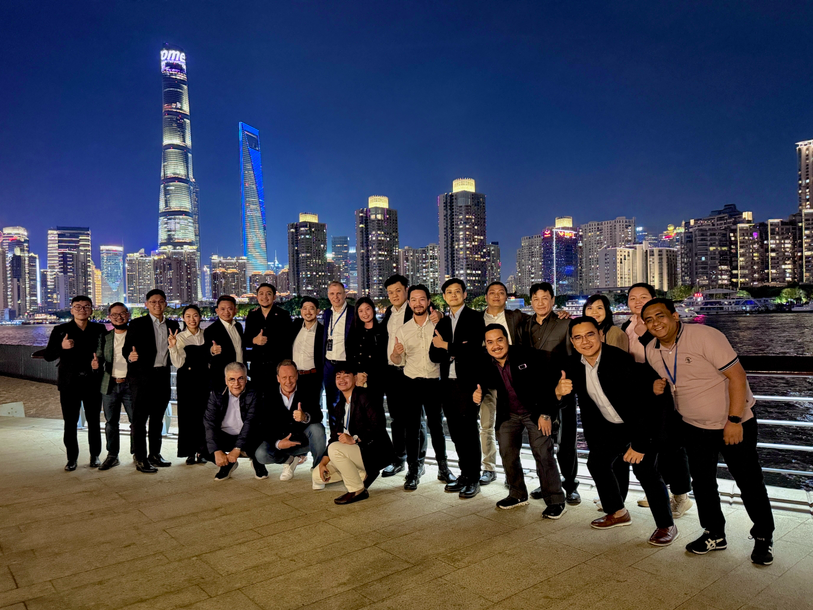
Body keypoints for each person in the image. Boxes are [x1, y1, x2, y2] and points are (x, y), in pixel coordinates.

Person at [642, 298, 775, 565]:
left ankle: (763, 537)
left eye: (660, 316)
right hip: (694, 427)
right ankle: (714, 533)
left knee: (748, 481)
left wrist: (734, 420)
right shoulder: (651, 350)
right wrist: (658, 386)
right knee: (702, 484)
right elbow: (674, 380)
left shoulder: (705, 335)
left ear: (675, 316)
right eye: (649, 320)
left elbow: (737, 377)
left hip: (734, 424)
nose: (655, 323)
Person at [560, 316, 678, 546]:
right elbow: (558, 396)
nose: (585, 341)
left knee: (646, 472)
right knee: (597, 463)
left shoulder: (619, 360)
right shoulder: (574, 364)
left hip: (640, 426)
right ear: (573, 342)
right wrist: (557, 392)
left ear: (601, 335)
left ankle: (666, 525)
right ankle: (618, 512)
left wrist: (640, 444)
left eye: (590, 334)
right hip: (610, 427)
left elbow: (642, 407)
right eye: (578, 337)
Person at [473, 324, 566, 518]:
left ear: (507, 339)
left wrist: (547, 413)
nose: (495, 346)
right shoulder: (485, 360)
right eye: (490, 342)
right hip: (509, 413)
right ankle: (517, 494)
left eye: (499, 340)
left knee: (543, 453)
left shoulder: (527, 355)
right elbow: (478, 381)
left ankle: (556, 500)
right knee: (507, 452)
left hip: (536, 412)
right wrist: (477, 394)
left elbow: (549, 382)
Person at [622, 283, 693, 518]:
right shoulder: (625, 326)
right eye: (633, 298)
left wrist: (645, 331)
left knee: (671, 443)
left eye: (644, 297)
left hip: (661, 388)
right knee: (651, 441)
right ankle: (658, 489)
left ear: (653, 299)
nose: (638, 301)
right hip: (639, 391)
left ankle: (681, 496)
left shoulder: (655, 326)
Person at [391, 284, 456, 490]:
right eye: (413, 300)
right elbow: (396, 360)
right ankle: (413, 470)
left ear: (428, 301)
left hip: (434, 382)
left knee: (436, 427)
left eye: (422, 299)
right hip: (411, 382)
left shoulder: (440, 324)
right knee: (412, 428)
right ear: (409, 303)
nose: (417, 303)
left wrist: (441, 316)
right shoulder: (404, 329)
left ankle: (443, 467)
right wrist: (396, 353)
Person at [521, 282, 580, 505]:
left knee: (566, 442)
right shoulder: (526, 325)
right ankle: (547, 482)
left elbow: (574, 358)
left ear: (553, 300)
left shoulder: (565, 323)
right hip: (537, 392)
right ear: (531, 302)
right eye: (536, 299)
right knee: (542, 442)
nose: (540, 303)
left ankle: (570, 485)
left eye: (545, 298)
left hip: (561, 390)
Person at [380, 274, 441, 478]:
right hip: (392, 370)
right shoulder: (389, 313)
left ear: (406, 290)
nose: (394, 295)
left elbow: (432, 318)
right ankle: (399, 459)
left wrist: (439, 315)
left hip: (413, 372)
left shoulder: (415, 309)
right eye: (390, 292)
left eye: (398, 290)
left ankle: (419, 462)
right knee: (397, 418)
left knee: (417, 420)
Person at [429, 278, 485, 499]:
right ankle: (463, 474)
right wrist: (454, 348)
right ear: (444, 296)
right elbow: (433, 355)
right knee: (455, 433)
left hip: (468, 384)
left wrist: (446, 346)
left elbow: (474, 350)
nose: (453, 295)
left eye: (457, 292)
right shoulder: (442, 323)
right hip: (447, 385)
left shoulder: (474, 318)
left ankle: (474, 478)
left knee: (469, 432)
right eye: (449, 292)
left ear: (464, 294)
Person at [312, 364, 395, 504]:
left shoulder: (366, 396)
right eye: (338, 376)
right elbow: (333, 437)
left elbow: (378, 427)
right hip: (353, 453)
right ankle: (362, 474)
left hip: (373, 452)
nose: (342, 379)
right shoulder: (340, 405)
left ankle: (357, 490)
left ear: (355, 378)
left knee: (335, 449)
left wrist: (355, 439)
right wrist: (323, 463)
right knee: (317, 476)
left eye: (346, 375)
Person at [43, 295, 106, 471]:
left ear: (91, 309)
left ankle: (95, 456)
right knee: (70, 422)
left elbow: (106, 354)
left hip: (92, 381)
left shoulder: (99, 329)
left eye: (86, 306)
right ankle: (72, 458)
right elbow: (48, 356)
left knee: (94, 421)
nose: (82, 309)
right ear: (71, 310)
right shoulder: (60, 330)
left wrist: (98, 364)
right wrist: (61, 347)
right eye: (78, 307)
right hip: (69, 383)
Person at [123, 289, 180, 473]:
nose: (157, 305)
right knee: (139, 420)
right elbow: (126, 349)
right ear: (146, 304)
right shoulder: (137, 324)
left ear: (166, 304)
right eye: (153, 302)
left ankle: (154, 454)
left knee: (157, 419)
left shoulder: (173, 324)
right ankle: (140, 458)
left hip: (162, 376)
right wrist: (130, 355)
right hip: (141, 378)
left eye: (161, 301)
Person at [478, 281, 528, 485]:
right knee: (486, 425)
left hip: (512, 378)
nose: (496, 296)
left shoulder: (516, 317)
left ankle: (512, 473)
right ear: (486, 296)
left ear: (506, 297)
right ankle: (488, 467)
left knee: (511, 427)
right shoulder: (477, 318)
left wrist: (562, 315)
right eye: (492, 293)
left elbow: (541, 322)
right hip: (487, 378)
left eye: (501, 293)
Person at [255, 360, 327, 481]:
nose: (288, 382)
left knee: (317, 429)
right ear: (278, 378)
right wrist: (278, 443)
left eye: (291, 377)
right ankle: (289, 461)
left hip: (302, 441)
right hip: (281, 442)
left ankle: (318, 469)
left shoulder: (308, 389)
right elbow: (263, 424)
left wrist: (305, 417)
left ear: (297, 375)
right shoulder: (267, 394)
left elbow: (318, 416)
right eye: (284, 377)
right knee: (261, 454)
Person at [203, 362, 260, 481]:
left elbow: (250, 422)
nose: (236, 384)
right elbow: (210, 423)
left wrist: (237, 448)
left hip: (249, 436)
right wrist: (217, 451)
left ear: (246, 378)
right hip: (225, 435)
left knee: (259, 438)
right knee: (202, 445)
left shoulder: (254, 393)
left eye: (241, 379)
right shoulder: (215, 393)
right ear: (226, 380)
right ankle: (227, 465)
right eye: (232, 379)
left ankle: (258, 462)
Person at [168, 305, 209, 465]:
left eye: (195, 315)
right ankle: (189, 452)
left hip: (205, 379)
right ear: (183, 319)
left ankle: (203, 451)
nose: (192, 319)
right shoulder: (179, 337)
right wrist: (172, 347)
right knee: (187, 416)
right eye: (188, 316)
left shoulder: (206, 335)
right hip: (187, 379)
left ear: (200, 317)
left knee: (204, 415)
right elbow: (178, 364)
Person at [95, 302, 134, 470]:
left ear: (128, 315)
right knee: (111, 422)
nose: (119, 317)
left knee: (136, 422)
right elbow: (99, 356)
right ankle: (112, 455)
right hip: (110, 385)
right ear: (109, 317)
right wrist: (96, 364)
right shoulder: (105, 337)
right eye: (114, 314)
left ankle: (137, 453)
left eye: (122, 313)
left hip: (131, 385)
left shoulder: (135, 335)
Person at [244, 283, 293, 400]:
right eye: (261, 294)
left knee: (276, 401)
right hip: (257, 369)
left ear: (274, 297)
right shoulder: (252, 315)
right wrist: (254, 340)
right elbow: (245, 340)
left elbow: (289, 341)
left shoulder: (283, 315)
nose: (264, 297)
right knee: (258, 402)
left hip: (277, 368)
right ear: (257, 296)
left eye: (268, 294)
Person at [347, 296, 388, 403]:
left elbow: (383, 358)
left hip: (376, 380)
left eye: (367, 309)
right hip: (358, 379)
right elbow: (350, 355)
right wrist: (356, 375)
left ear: (373, 310)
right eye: (360, 311)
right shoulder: (354, 332)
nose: (364, 313)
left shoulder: (382, 331)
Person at [322, 281, 355, 409]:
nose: (335, 297)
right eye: (332, 294)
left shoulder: (353, 312)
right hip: (329, 364)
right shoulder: (327, 313)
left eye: (338, 293)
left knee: (350, 402)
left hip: (347, 363)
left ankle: (348, 429)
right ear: (328, 295)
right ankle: (335, 429)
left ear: (345, 294)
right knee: (332, 404)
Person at [204, 295, 244, 394]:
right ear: (217, 311)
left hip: (240, 377)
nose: (226, 312)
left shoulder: (238, 326)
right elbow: (204, 352)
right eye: (222, 309)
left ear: (235, 310)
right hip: (223, 379)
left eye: (230, 309)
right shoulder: (211, 330)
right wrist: (212, 351)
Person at [290, 296, 324, 406]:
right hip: (294, 377)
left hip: (313, 377)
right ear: (301, 311)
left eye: (311, 308)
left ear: (318, 311)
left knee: (312, 408)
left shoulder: (323, 331)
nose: (308, 312)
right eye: (305, 308)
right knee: (293, 408)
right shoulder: (295, 326)